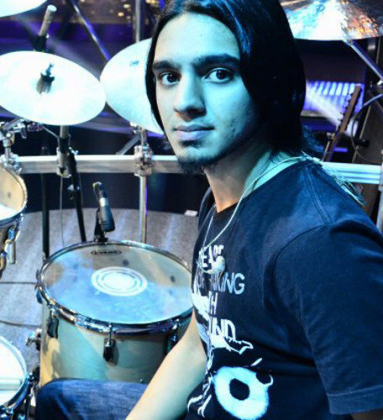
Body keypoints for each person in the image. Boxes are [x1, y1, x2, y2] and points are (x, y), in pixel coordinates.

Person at [35, 0, 383, 418]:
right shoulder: (224, 194)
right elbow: (200, 343)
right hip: (209, 402)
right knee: (58, 398)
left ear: (270, 79)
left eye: (219, 73)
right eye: (169, 76)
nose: (184, 102)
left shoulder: (320, 244)